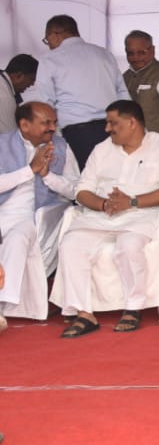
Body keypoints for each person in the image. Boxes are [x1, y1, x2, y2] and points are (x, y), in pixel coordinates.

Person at [57, 100, 159, 337]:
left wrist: (132, 202)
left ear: (132, 123)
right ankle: (84, 313)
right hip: (100, 215)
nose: (107, 128)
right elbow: (82, 190)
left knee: (128, 246)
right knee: (70, 245)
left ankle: (133, 308)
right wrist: (104, 204)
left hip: (140, 215)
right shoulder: (102, 149)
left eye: (112, 123)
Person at [0, 102, 80, 322]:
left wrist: (47, 176)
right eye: (46, 122)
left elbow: (76, 189)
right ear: (24, 125)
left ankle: (1, 305)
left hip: (31, 215)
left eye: (54, 122)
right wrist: (30, 170)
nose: (52, 128)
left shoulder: (61, 146)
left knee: (17, 239)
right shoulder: (2, 144)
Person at [26, 15, 130, 169]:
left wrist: (51, 136)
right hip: (113, 128)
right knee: (115, 175)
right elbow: (122, 94)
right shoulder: (104, 54)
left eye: (47, 40)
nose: (49, 45)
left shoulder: (50, 59)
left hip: (77, 135)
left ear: (55, 34)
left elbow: (45, 104)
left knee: (84, 179)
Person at [0, 55, 37, 134]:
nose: (32, 84)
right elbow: (10, 135)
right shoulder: (5, 97)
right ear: (19, 76)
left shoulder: (4, 80)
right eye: (31, 79)